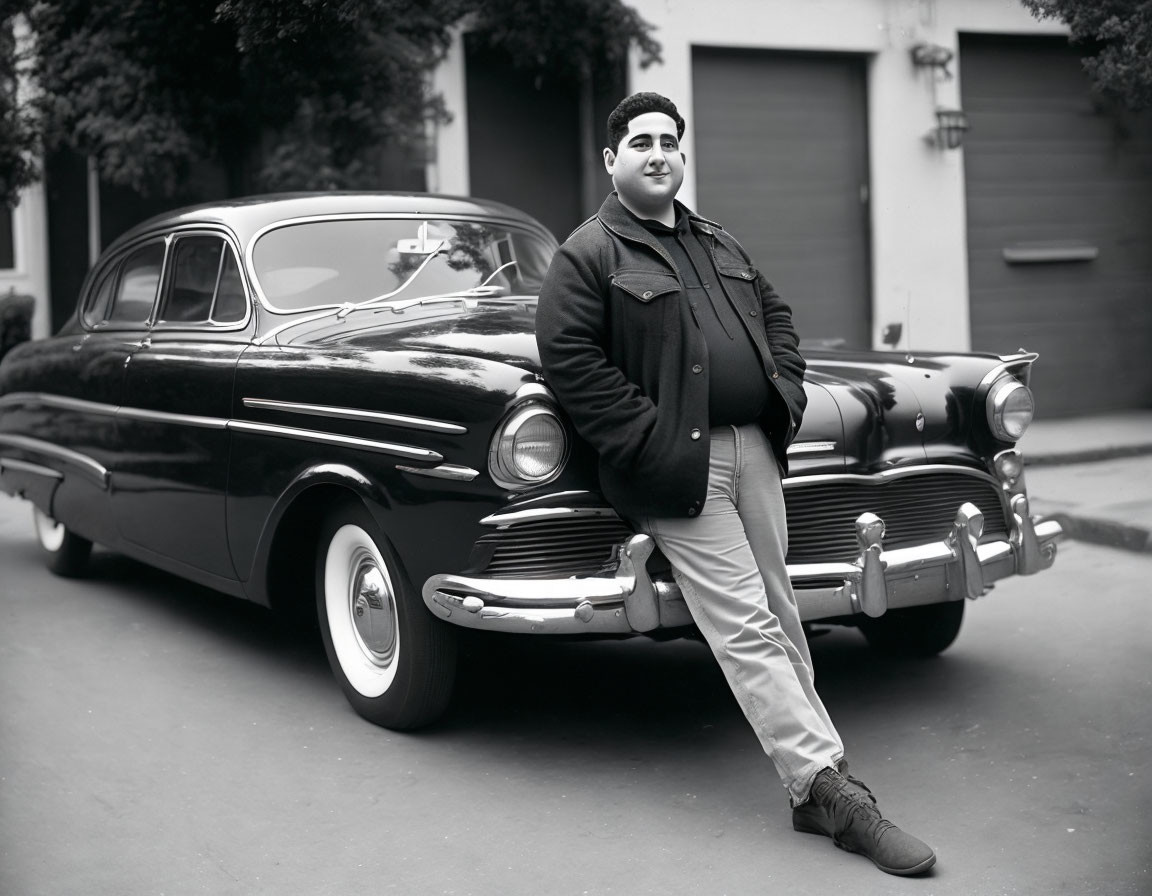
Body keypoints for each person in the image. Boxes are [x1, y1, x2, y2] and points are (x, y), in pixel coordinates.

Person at [535, 92, 936, 876]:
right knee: (746, 624)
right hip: (675, 469)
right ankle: (831, 791)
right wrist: (649, 444)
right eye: (641, 141)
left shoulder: (717, 240)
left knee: (783, 610)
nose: (658, 153)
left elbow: (778, 320)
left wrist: (779, 396)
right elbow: (572, 361)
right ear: (612, 160)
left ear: (681, 158)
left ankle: (810, 785)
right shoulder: (589, 254)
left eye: (669, 142)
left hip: (753, 449)